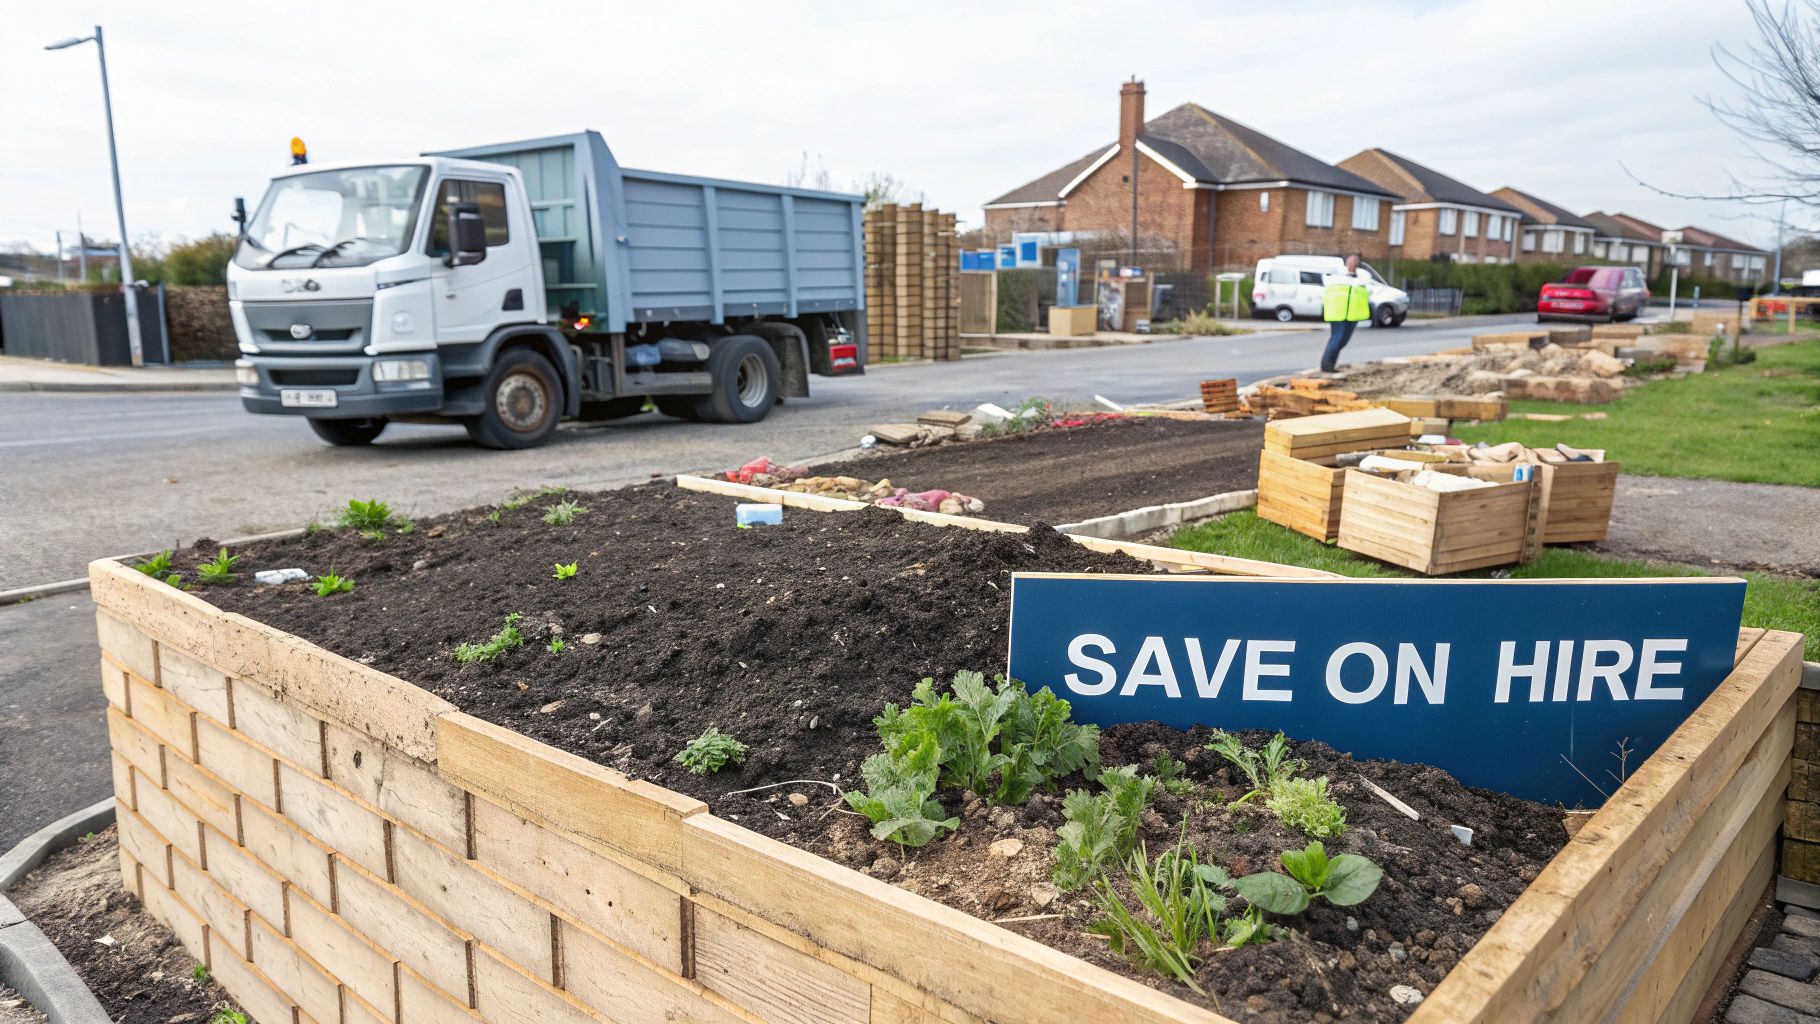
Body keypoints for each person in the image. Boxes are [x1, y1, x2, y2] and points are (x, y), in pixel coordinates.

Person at [1320, 255, 1372, 373]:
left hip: (1353, 313)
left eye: (1354, 261)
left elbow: (1367, 288)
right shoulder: (1337, 275)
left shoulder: (1362, 276)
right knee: (1337, 339)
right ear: (1346, 262)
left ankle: (1331, 364)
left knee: (1343, 340)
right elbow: (1329, 283)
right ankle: (1327, 365)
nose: (1352, 263)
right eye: (1350, 261)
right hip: (1338, 312)